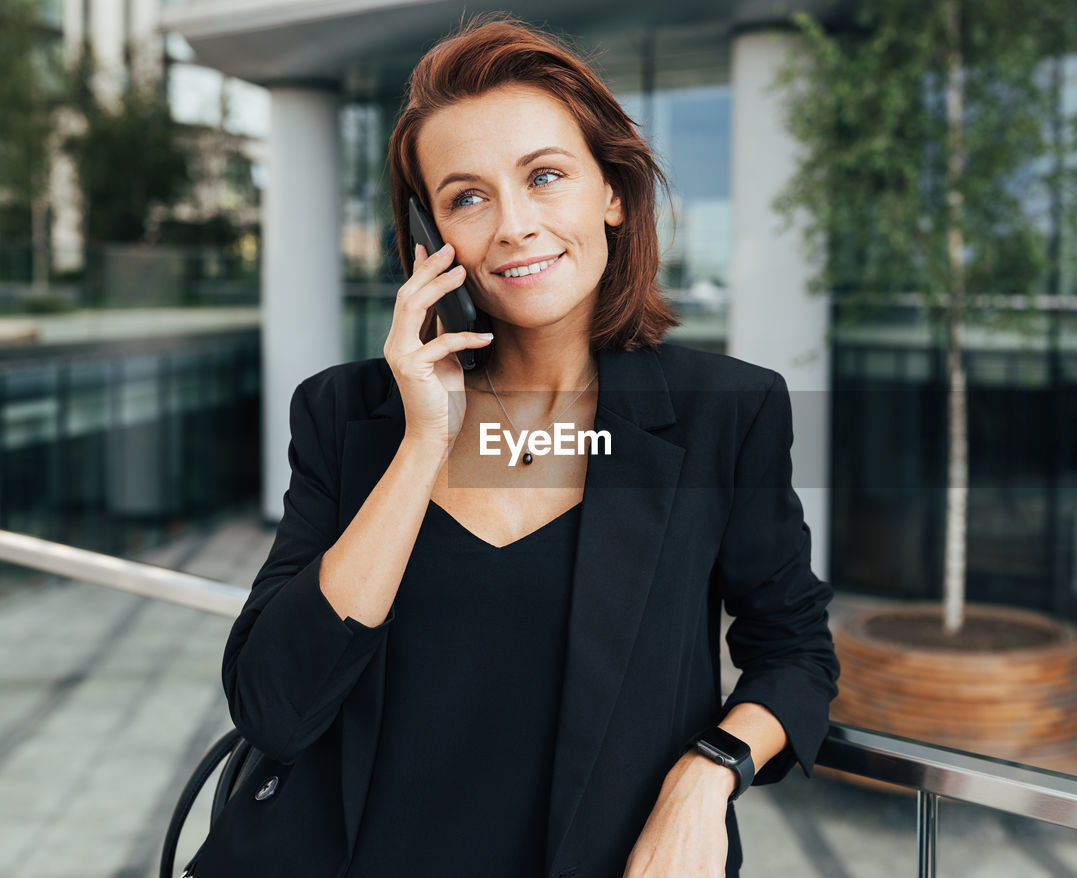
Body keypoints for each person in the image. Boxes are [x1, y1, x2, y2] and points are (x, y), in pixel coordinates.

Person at [199, 15, 839, 878]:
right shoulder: (344, 413)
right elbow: (275, 706)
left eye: (545, 177)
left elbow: (794, 650)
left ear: (611, 191)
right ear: (431, 240)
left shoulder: (726, 412)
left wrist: (709, 774)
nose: (513, 225)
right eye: (468, 197)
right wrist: (425, 439)